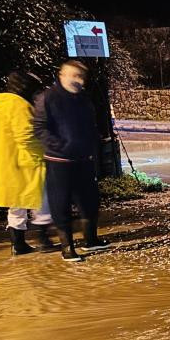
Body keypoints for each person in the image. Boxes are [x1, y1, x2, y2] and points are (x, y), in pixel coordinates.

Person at [33, 60, 110, 262]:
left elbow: (90, 124)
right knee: (61, 203)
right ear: (62, 75)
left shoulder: (83, 99)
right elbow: (40, 128)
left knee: (90, 200)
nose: (77, 80)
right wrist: (58, 145)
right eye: (73, 75)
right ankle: (67, 247)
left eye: (80, 76)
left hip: (83, 159)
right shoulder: (47, 97)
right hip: (59, 160)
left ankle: (90, 240)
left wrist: (94, 141)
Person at [0, 71, 57, 255]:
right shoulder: (18, 105)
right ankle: (42, 238)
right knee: (42, 198)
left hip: (7, 160)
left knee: (17, 203)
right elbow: (26, 136)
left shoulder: (0, 105)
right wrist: (45, 152)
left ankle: (18, 243)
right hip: (26, 161)